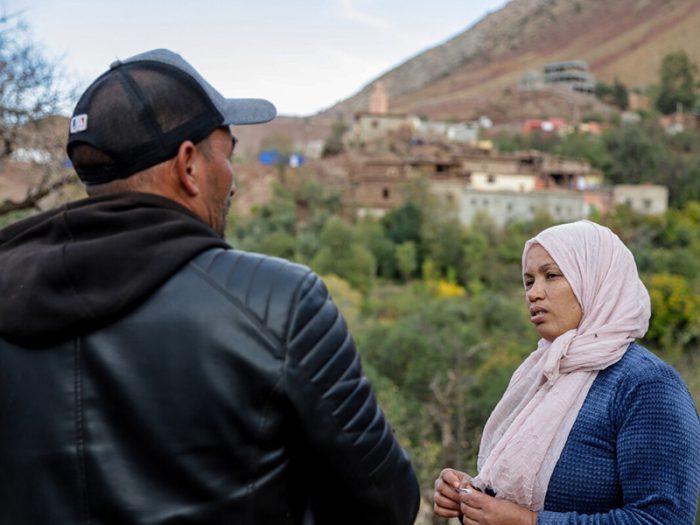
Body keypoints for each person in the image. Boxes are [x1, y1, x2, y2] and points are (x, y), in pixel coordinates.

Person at [0, 48, 420, 525]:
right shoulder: (280, 303)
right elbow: (388, 503)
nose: (234, 181)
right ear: (188, 166)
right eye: (227, 154)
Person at [433, 220, 700, 524]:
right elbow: (528, 494)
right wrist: (472, 497)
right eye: (529, 281)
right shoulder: (542, 373)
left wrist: (530, 522)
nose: (534, 293)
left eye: (551, 276)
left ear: (595, 278)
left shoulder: (647, 386)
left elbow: (664, 519)